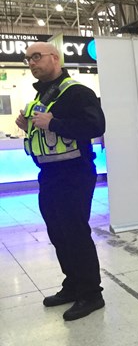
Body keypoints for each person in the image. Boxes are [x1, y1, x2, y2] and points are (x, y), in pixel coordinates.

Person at [15, 42, 106, 321]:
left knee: (75, 233)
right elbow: (44, 132)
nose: (32, 62)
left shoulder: (77, 92)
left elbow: (96, 127)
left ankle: (91, 294)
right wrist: (27, 124)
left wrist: (53, 123)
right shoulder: (41, 97)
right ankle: (73, 284)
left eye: (37, 57)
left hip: (75, 173)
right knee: (58, 233)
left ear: (55, 58)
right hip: (50, 176)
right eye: (28, 58)